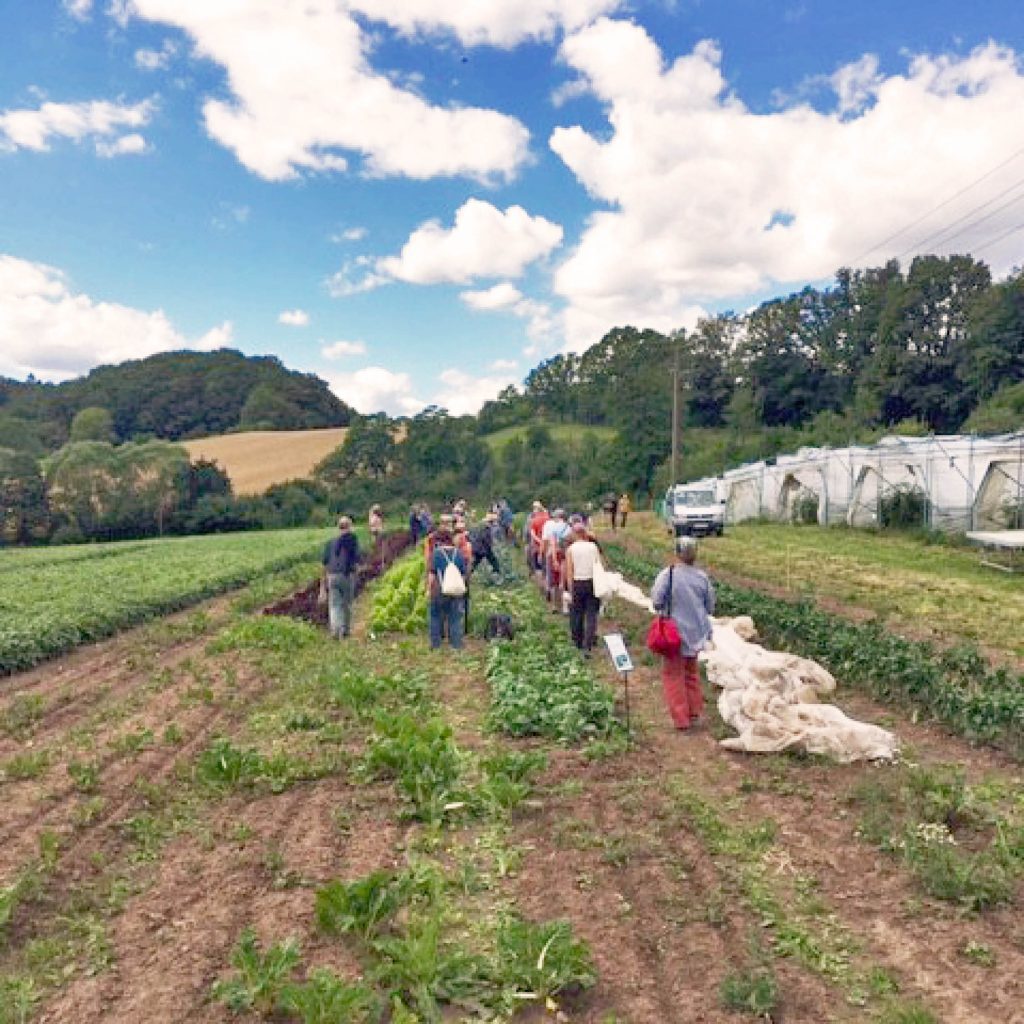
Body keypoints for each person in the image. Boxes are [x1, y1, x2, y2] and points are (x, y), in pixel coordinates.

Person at [650, 537, 715, 730]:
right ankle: (694, 712)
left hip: (673, 634)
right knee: (691, 673)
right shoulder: (702, 578)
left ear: (677, 553)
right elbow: (710, 606)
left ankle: (681, 719)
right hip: (696, 633)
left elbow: (656, 601)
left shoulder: (667, 575)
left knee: (673, 674)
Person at [320, 516, 360, 639]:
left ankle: (335, 631)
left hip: (332, 576)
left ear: (338, 528)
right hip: (346, 575)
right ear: (350, 527)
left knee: (334, 605)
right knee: (346, 604)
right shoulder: (352, 540)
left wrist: (323, 584)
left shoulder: (330, 543)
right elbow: (357, 560)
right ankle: (345, 631)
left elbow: (324, 564)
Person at [564, 521, 601, 653]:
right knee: (591, 614)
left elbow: (569, 571)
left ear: (574, 534)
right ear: (584, 533)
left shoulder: (571, 549)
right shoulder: (593, 547)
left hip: (577, 583)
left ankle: (577, 641)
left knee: (577, 613)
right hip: (592, 582)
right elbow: (599, 566)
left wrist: (570, 589)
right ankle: (588, 644)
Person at [429, 526, 467, 650]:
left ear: (439, 541)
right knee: (455, 617)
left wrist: (429, 590)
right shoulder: (459, 553)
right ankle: (456, 644)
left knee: (435, 616)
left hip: (440, 590)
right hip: (455, 590)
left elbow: (432, 575)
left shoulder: (437, 554)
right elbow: (463, 573)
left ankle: (436, 645)